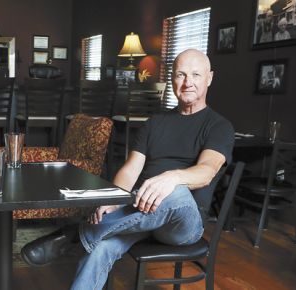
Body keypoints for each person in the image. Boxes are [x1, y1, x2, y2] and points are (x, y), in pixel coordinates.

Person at [21, 49, 235, 290]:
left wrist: (171, 178)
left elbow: (207, 171)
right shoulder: (155, 123)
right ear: (172, 79)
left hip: (183, 222)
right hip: (139, 213)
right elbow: (131, 168)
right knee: (102, 247)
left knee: (176, 191)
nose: (187, 83)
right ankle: (86, 239)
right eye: (180, 75)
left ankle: (75, 235)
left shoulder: (219, 126)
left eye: (196, 75)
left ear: (209, 78)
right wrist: (113, 198)